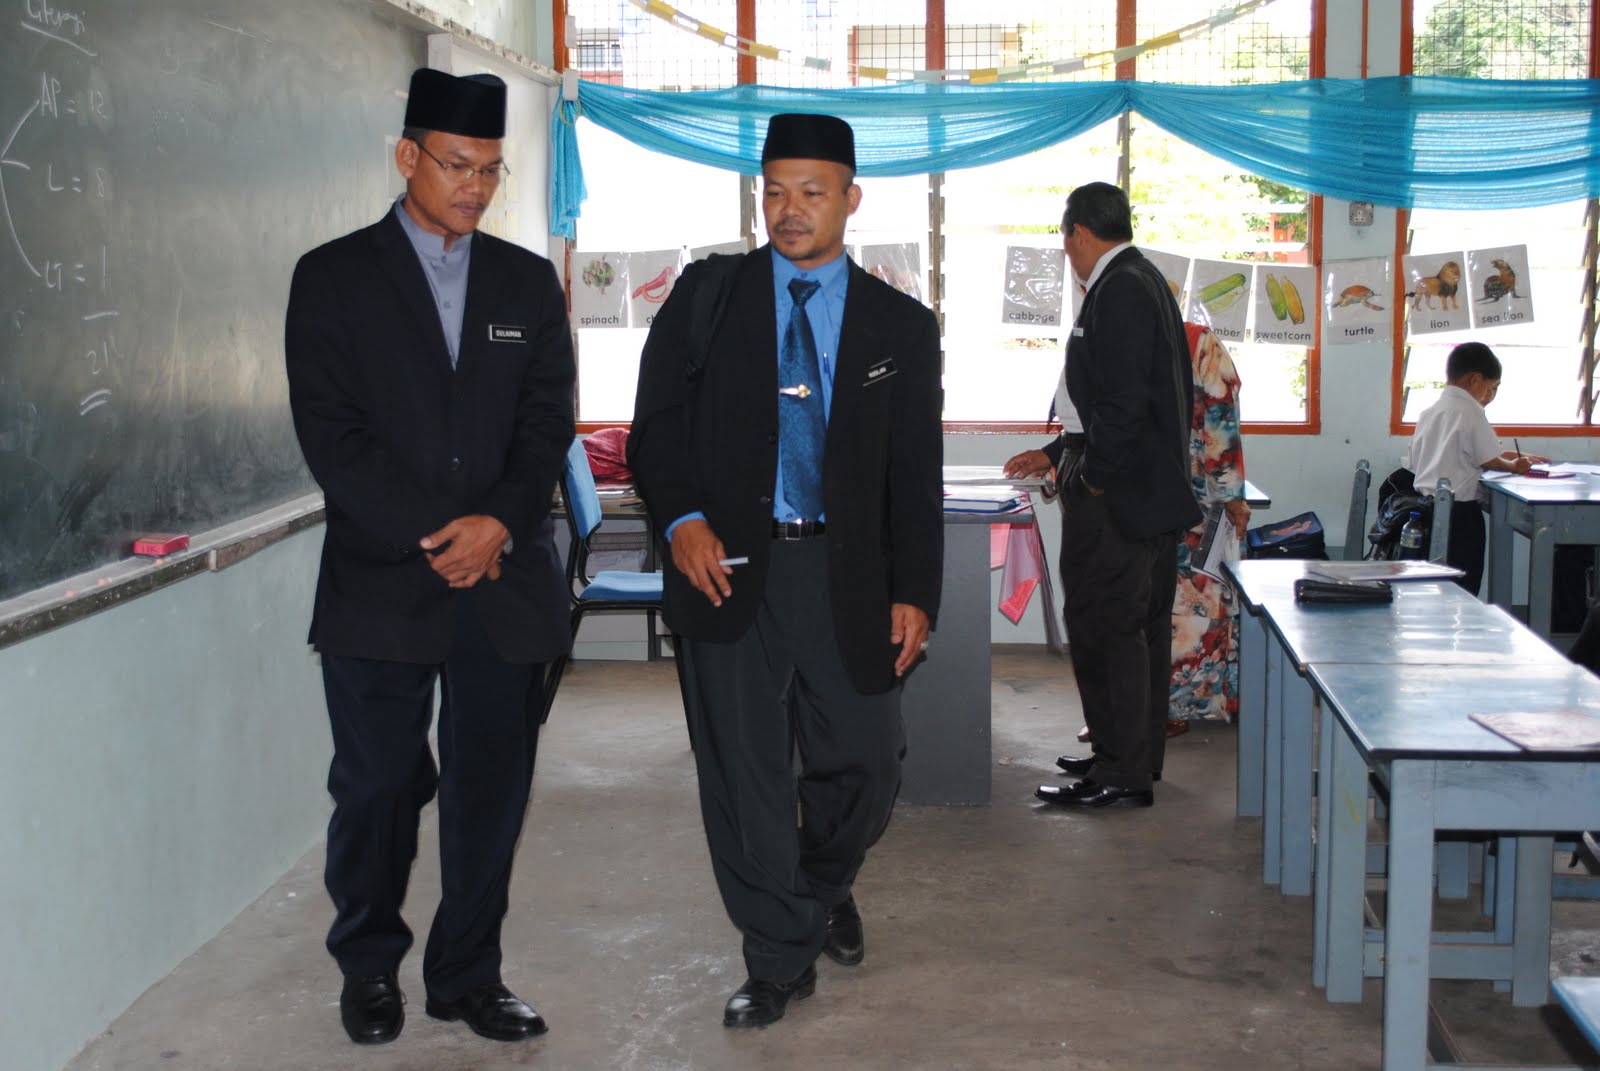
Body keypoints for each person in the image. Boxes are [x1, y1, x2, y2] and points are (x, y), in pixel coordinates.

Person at [627, 112, 943, 1028]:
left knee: (868, 762)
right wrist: (681, 520)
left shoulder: (899, 324)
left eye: (811, 192)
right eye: (774, 191)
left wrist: (915, 592)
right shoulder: (707, 297)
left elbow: (913, 475)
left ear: (852, 198)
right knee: (743, 772)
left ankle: (821, 883)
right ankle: (776, 951)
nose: (790, 210)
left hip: (845, 572)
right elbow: (655, 429)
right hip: (726, 567)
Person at [284, 68, 575, 1047]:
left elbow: (546, 424)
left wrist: (498, 524)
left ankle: (467, 974)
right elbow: (334, 438)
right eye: (456, 165)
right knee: (376, 787)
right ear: (407, 156)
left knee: (490, 787)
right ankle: (369, 965)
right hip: (381, 578)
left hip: (502, 580)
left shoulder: (524, 283)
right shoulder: (332, 278)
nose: (475, 187)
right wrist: (439, 534)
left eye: (490, 170)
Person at [1003, 181, 1199, 810]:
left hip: (1119, 497)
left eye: (1067, 243)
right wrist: (1058, 452)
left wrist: (1091, 475)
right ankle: (1130, 756)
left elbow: (1122, 404)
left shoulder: (1120, 290)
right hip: (1141, 490)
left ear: (1080, 234)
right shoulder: (1144, 281)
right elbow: (1114, 401)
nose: (1069, 255)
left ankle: (1120, 771)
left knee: (1105, 627)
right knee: (1135, 631)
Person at [1407, 341, 1541, 594]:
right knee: (1463, 586)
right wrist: (1514, 466)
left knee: (1429, 585)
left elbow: (1415, 461)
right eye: (1490, 388)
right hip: (1461, 514)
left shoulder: (1429, 412)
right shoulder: (1470, 410)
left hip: (1425, 509)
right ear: (1475, 380)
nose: (1490, 396)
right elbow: (1489, 460)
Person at [1168, 323, 1251, 731]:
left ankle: (1150, 703)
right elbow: (1220, 418)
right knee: (1198, 596)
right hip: (1196, 497)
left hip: (1137, 497)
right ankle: (1184, 704)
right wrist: (1232, 494)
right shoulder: (1198, 343)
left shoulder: (1119, 336)